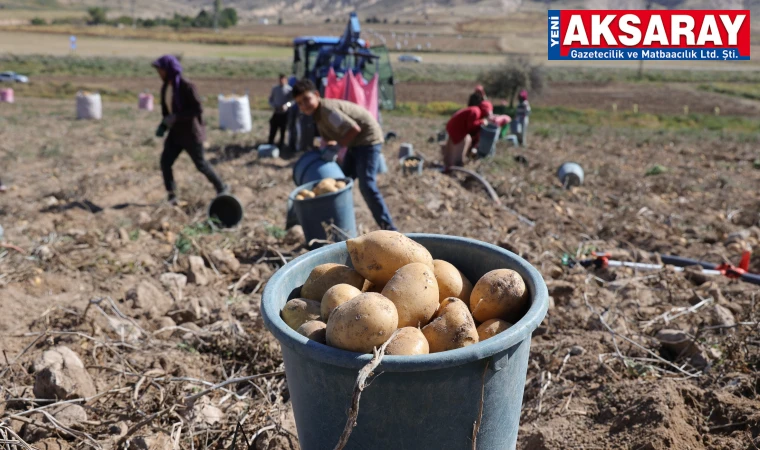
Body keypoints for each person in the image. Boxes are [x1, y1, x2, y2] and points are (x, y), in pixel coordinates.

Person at [291, 79, 397, 231]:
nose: (304, 105)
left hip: (368, 140)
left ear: (316, 94)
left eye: (306, 99)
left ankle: (389, 228)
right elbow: (330, 136)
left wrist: (338, 147)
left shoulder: (327, 110)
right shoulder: (317, 115)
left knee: (367, 185)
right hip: (355, 143)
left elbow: (353, 129)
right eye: (300, 103)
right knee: (341, 180)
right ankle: (337, 223)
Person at [152, 55, 227, 205]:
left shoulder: (186, 86)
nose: (159, 73)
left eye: (161, 70)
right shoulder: (166, 87)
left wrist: (177, 117)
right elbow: (167, 111)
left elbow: (197, 109)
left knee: (201, 165)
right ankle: (172, 197)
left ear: (169, 70)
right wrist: (164, 124)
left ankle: (222, 188)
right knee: (165, 162)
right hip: (175, 134)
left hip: (191, 134)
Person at [441, 101, 493, 171]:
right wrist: (482, 122)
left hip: (453, 127)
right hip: (458, 129)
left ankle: (448, 164)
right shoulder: (476, 111)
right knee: (457, 152)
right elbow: (471, 126)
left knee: (465, 140)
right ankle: (454, 166)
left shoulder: (474, 109)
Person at [268, 73, 292, 149]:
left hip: (284, 113)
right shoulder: (275, 89)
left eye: (283, 79)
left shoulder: (289, 89)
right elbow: (270, 99)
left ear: (286, 80)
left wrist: (286, 106)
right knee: (273, 128)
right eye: (280, 79)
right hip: (276, 112)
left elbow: (292, 101)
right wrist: (273, 105)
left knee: (283, 129)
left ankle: (281, 144)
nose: (281, 81)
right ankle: (270, 143)